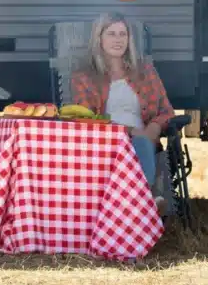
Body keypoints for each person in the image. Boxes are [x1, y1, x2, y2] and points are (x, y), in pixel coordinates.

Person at [70, 12, 176, 213]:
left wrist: (153, 128)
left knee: (142, 145)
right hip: (104, 142)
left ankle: (137, 207)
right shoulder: (84, 76)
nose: (118, 40)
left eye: (123, 34)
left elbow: (167, 111)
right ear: (98, 39)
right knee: (138, 143)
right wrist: (131, 132)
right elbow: (87, 119)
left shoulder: (145, 71)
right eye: (111, 34)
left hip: (143, 139)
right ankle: (146, 204)